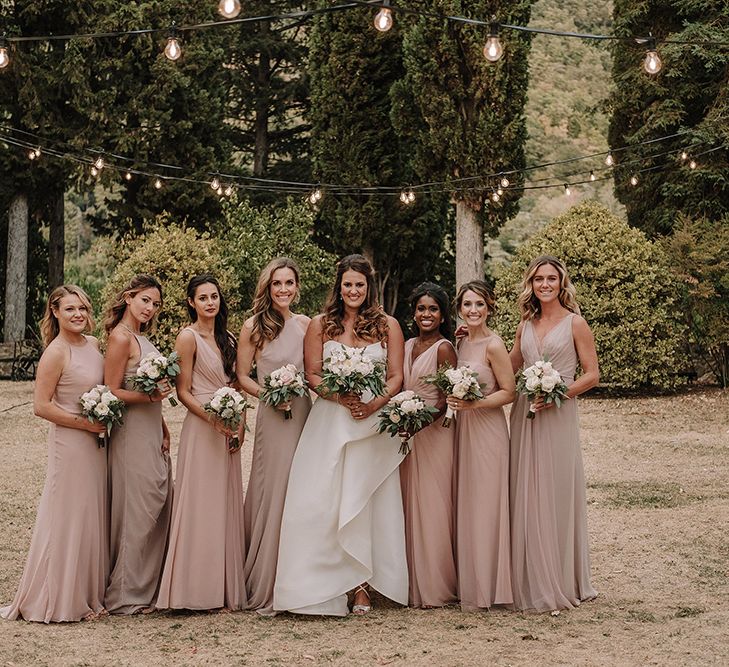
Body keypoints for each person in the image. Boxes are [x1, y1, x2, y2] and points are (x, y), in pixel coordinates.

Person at [273, 254, 407, 616]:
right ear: (339, 286)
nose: (353, 290)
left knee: (364, 502)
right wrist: (339, 396)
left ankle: (362, 588)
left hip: (372, 423)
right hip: (330, 422)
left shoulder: (387, 326)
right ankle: (321, 584)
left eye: (359, 285)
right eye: (348, 284)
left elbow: (396, 376)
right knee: (323, 502)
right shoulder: (320, 324)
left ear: (369, 287)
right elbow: (313, 375)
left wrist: (376, 402)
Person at [1, 286, 108, 622]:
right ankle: (59, 599)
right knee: (67, 515)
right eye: (70, 309)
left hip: (97, 442)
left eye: (83, 308)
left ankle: (88, 594)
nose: (78, 314)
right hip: (71, 443)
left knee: (91, 515)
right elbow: (41, 406)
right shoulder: (56, 352)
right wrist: (84, 424)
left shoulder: (92, 345)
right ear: (56, 312)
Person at [509, 255, 599, 611]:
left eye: (551, 279)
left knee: (556, 490)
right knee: (526, 490)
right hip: (524, 412)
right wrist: (473, 339)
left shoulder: (576, 323)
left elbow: (591, 374)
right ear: (530, 284)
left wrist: (558, 393)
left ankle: (561, 578)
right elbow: (509, 365)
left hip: (558, 413)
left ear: (561, 283)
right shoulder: (524, 324)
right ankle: (529, 575)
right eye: (538, 279)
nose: (544, 284)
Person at [156, 275, 247, 611]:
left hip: (230, 424)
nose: (210, 302)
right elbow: (182, 392)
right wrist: (213, 419)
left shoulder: (230, 338)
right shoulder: (187, 337)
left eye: (214, 296)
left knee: (224, 502)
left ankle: (222, 588)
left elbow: (236, 385)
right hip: (202, 425)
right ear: (191, 302)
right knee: (199, 502)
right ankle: (192, 589)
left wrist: (240, 424)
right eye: (203, 297)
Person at [237, 258, 312, 615]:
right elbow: (243, 376)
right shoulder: (253, 326)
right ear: (267, 287)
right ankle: (267, 578)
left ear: (298, 287)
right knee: (274, 486)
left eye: (289, 283)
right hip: (273, 412)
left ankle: (302, 576)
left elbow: (316, 369)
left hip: (303, 412)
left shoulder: (306, 324)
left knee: (303, 486)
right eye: (277, 284)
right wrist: (270, 394)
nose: (283, 289)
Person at [102, 274, 173, 614]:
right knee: (135, 509)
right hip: (129, 433)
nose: (150, 308)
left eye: (156, 304)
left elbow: (151, 394)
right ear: (129, 297)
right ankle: (126, 595)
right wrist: (149, 398)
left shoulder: (142, 337)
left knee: (153, 503)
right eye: (145, 300)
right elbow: (111, 390)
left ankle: (148, 585)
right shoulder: (120, 337)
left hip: (150, 428)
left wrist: (162, 425)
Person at [447, 281, 515, 611]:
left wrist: (475, 405)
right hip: (464, 432)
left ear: (489, 307)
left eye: (480, 304)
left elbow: (509, 392)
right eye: (467, 304)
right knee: (470, 504)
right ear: (459, 308)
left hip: (487, 430)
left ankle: (493, 585)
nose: (473, 310)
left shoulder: (494, 345)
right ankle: (471, 582)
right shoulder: (461, 342)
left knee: (489, 504)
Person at [399, 282, 458, 608]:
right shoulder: (407, 345)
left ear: (442, 314)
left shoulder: (445, 348)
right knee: (408, 503)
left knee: (433, 506)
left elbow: (447, 400)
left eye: (432, 309)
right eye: (421, 308)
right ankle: (408, 581)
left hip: (434, 434)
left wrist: (416, 424)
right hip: (407, 434)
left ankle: (435, 584)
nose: (426, 314)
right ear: (413, 312)